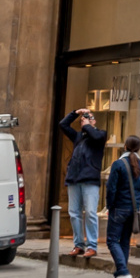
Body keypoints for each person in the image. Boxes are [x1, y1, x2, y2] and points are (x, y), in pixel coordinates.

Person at [58, 107, 107, 257]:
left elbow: (96, 137)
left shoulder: (100, 134)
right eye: (83, 118)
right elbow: (63, 125)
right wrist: (75, 113)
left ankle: (92, 246)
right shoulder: (78, 137)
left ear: (94, 120)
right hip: (74, 178)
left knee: (91, 212)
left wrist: (87, 125)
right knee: (74, 213)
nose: (84, 119)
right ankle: (78, 244)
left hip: (89, 179)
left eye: (88, 117)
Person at [105, 135, 140, 278]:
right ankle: (121, 273)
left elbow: (111, 188)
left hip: (119, 207)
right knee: (124, 241)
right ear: (139, 148)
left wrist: (109, 206)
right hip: (134, 209)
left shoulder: (118, 164)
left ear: (125, 146)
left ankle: (123, 271)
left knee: (112, 240)